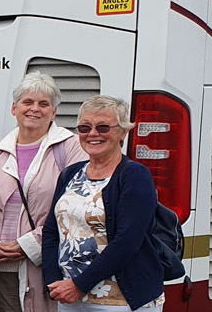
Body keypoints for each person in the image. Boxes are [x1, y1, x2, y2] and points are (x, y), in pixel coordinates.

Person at [0, 73, 87, 312]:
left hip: (44, 268)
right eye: (27, 102)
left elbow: (75, 209)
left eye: (43, 104)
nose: (35, 109)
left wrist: (28, 244)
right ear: (14, 108)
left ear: (54, 112)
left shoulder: (71, 148)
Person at [42, 96, 165, 311]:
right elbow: (51, 231)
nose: (93, 133)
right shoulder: (70, 174)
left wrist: (79, 284)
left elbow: (127, 242)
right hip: (71, 298)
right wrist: (54, 281)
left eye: (103, 127)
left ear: (123, 132)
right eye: (84, 127)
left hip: (119, 301)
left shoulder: (135, 176)